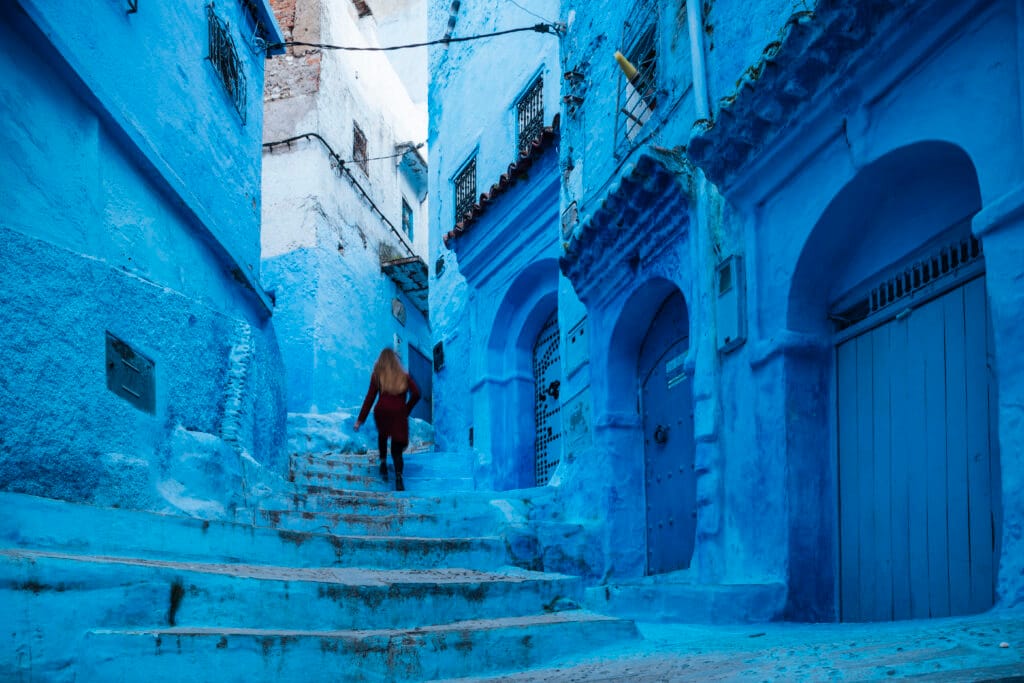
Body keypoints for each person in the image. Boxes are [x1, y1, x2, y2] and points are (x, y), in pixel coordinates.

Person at [354, 348, 421, 492]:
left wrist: (360, 419)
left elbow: (370, 398)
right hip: (399, 413)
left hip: (382, 411)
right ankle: (398, 478)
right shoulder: (404, 375)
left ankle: (383, 462)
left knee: (383, 435)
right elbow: (417, 394)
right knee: (397, 448)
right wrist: (406, 409)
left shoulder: (377, 375)